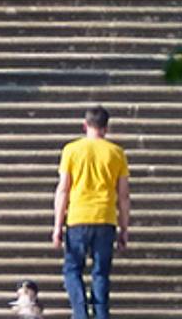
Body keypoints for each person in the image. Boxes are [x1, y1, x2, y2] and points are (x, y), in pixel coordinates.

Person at [53, 105, 130, 319]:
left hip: (78, 217)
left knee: (72, 270)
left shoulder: (71, 150)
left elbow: (63, 190)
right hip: (105, 218)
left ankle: (80, 314)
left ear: (85, 125)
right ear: (106, 127)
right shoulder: (117, 153)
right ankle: (101, 314)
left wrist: (57, 225)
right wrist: (124, 228)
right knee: (101, 272)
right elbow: (123, 195)